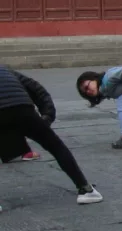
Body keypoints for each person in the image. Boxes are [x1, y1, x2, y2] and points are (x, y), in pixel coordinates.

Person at [1, 65, 104, 205]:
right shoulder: (5, 69)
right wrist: (47, 116)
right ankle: (86, 189)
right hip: (22, 107)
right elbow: (38, 90)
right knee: (56, 147)